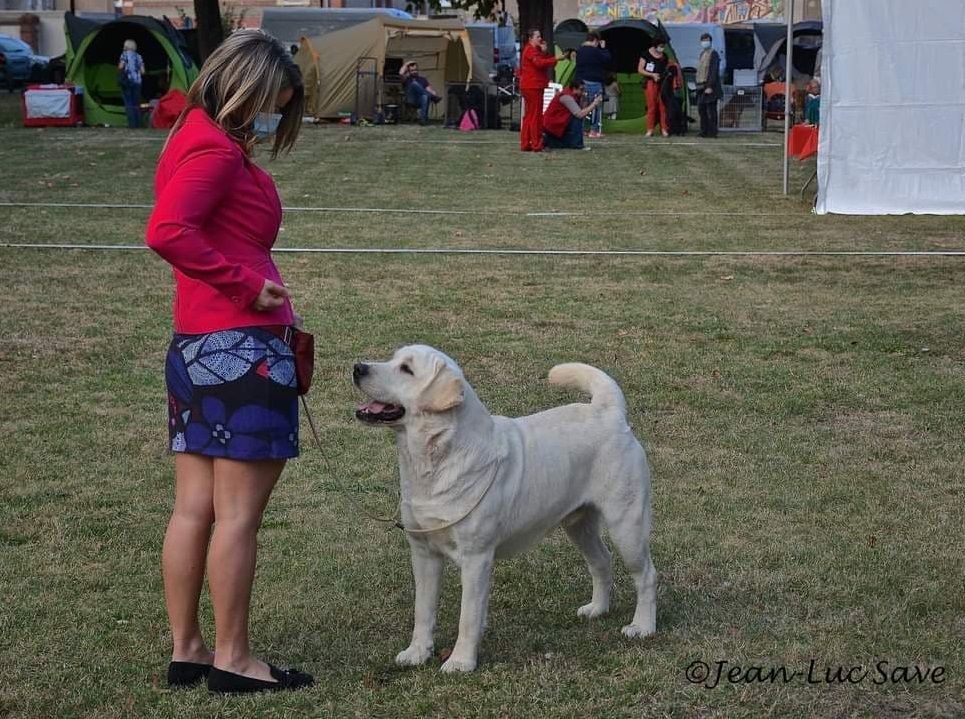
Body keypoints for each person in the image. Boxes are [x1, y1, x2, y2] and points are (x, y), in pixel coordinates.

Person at [145, 29, 314, 695]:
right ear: (246, 87)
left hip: (196, 345)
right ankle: (233, 657)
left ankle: (189, 649)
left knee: (194, 508)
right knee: (236, 515)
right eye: (270, 103)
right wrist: (246, 285)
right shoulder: (215, 150)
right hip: (242, 349)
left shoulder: (188, 137)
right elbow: (167, 231)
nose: (270, 118)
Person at [519, 28, 560, 152]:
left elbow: (541, 62)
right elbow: (540, 63)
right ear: (530, 38)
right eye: (537, 36)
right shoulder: (530, 50)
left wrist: (544, 52)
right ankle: (536, 144)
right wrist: (556, 58)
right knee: (535, 116)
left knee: (529, 115)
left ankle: (526, 143)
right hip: (533, 86)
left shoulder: (532, 50)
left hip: (530, 86)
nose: (540, 39)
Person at [543, 80, 602, 149]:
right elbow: (579, 114)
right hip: (553, 126)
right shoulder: (566, 97)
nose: (583, 92)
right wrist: (594, 104)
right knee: (576, 119)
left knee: (563, 144)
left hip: (560, 125)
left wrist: (584, 100)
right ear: (574, 88)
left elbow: (582, 110)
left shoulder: (574, 95)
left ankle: (548, 141)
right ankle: (577, 145)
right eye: (581, 90)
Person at [574, 30, 611, 138]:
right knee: (595, 107)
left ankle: (581, 129)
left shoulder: (579, 50)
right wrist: (603, 48)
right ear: (595, 40)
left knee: (583, 107)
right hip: (594, 81)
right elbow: (607, 59)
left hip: (582, 82)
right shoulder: (596, 51)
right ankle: (594, 130)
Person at [638, 40, 670, 137]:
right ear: (655, 46)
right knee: (651, 106)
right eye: (660, 46)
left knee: (663, 106)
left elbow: (666, 69)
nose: (662, 48)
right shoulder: (645, 54)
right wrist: (652, 75)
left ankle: (664, 128)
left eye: (663, 46)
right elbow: (640, 70)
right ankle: (650, 129)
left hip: (662, 83)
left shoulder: (664, 56)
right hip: (650, 82)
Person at [695, 32, 722, 138]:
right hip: (700, 86)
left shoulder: (714, 54)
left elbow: (713, 71)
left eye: (707, 40)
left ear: (710, 41)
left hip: (710, 87)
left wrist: (710, 86)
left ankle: (712, 132)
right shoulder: (702, 54)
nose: (705, 42)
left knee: (711, 111)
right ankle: (704, 131)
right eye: (703, 40)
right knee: (701, 110)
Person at [399, 60, 441, 125]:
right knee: (414, 84)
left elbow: (429, 89)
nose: (414, 72)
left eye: (416, 70)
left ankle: (423, 120)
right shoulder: (406, 79)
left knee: (425, 96)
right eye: (412, 70)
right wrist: (407, 64)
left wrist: (433, 92)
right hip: (410, 99)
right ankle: (433, 98)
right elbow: (401, 73)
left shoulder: (422, 79)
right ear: (409, 71)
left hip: (419, 101)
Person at [118, 39, 145, 128]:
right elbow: (143, 71)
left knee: (128, 104)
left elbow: (121, 67)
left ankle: (132, 125)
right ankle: (138, 124)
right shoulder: (139, 57)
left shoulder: (124, 55)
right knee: (136, 104)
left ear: (126, 46)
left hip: (128, 82)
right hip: (138, 83)